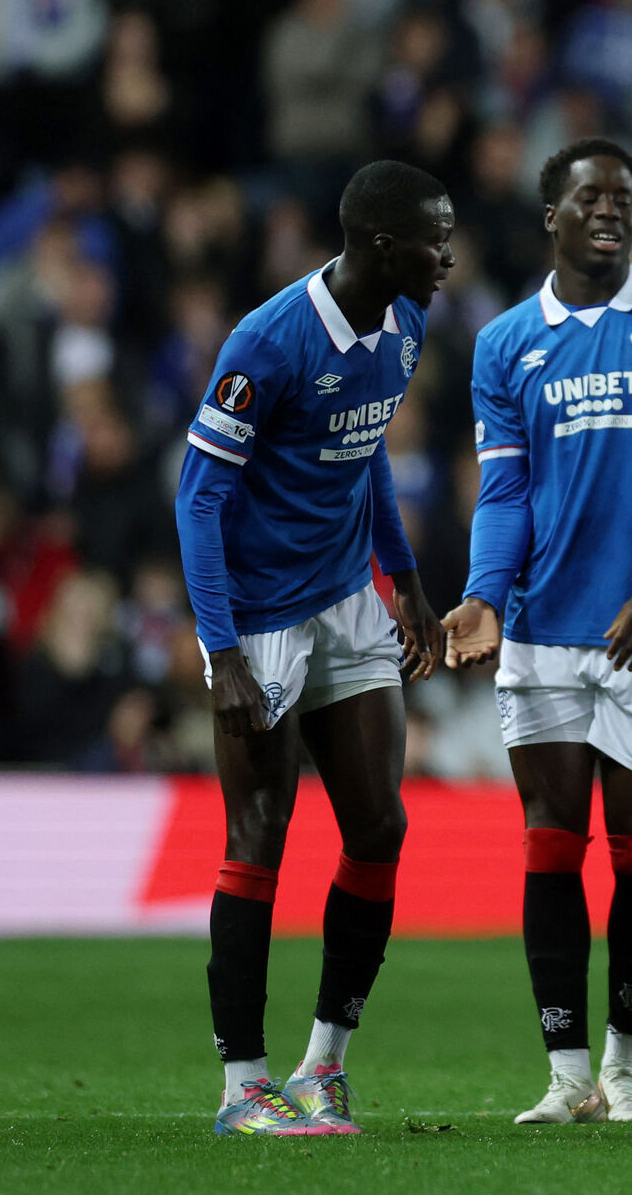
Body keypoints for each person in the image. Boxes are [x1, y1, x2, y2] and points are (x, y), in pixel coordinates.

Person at [441, 139, 632, 1126]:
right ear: (552, 216)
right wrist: (487, 591)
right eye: (591, 197)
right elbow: (506, 488)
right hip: (540, 632)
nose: (611, 210)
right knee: (547, 845)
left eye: (625, 195)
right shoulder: (502, 344)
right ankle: (566, 1073)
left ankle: (626, 1067)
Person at [174, 159, 450, 1137]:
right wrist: (224, 651)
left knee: (379, 828)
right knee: (259, 837)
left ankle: (320, 1066)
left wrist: (405, 577)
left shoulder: (407, 322)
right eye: (434, 237)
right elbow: (198, 496)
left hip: (346, 598)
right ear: (382, 245)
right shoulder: (269, 341)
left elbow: (362, 446)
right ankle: (241, 1087)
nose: (448, 254)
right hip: (259, 617)